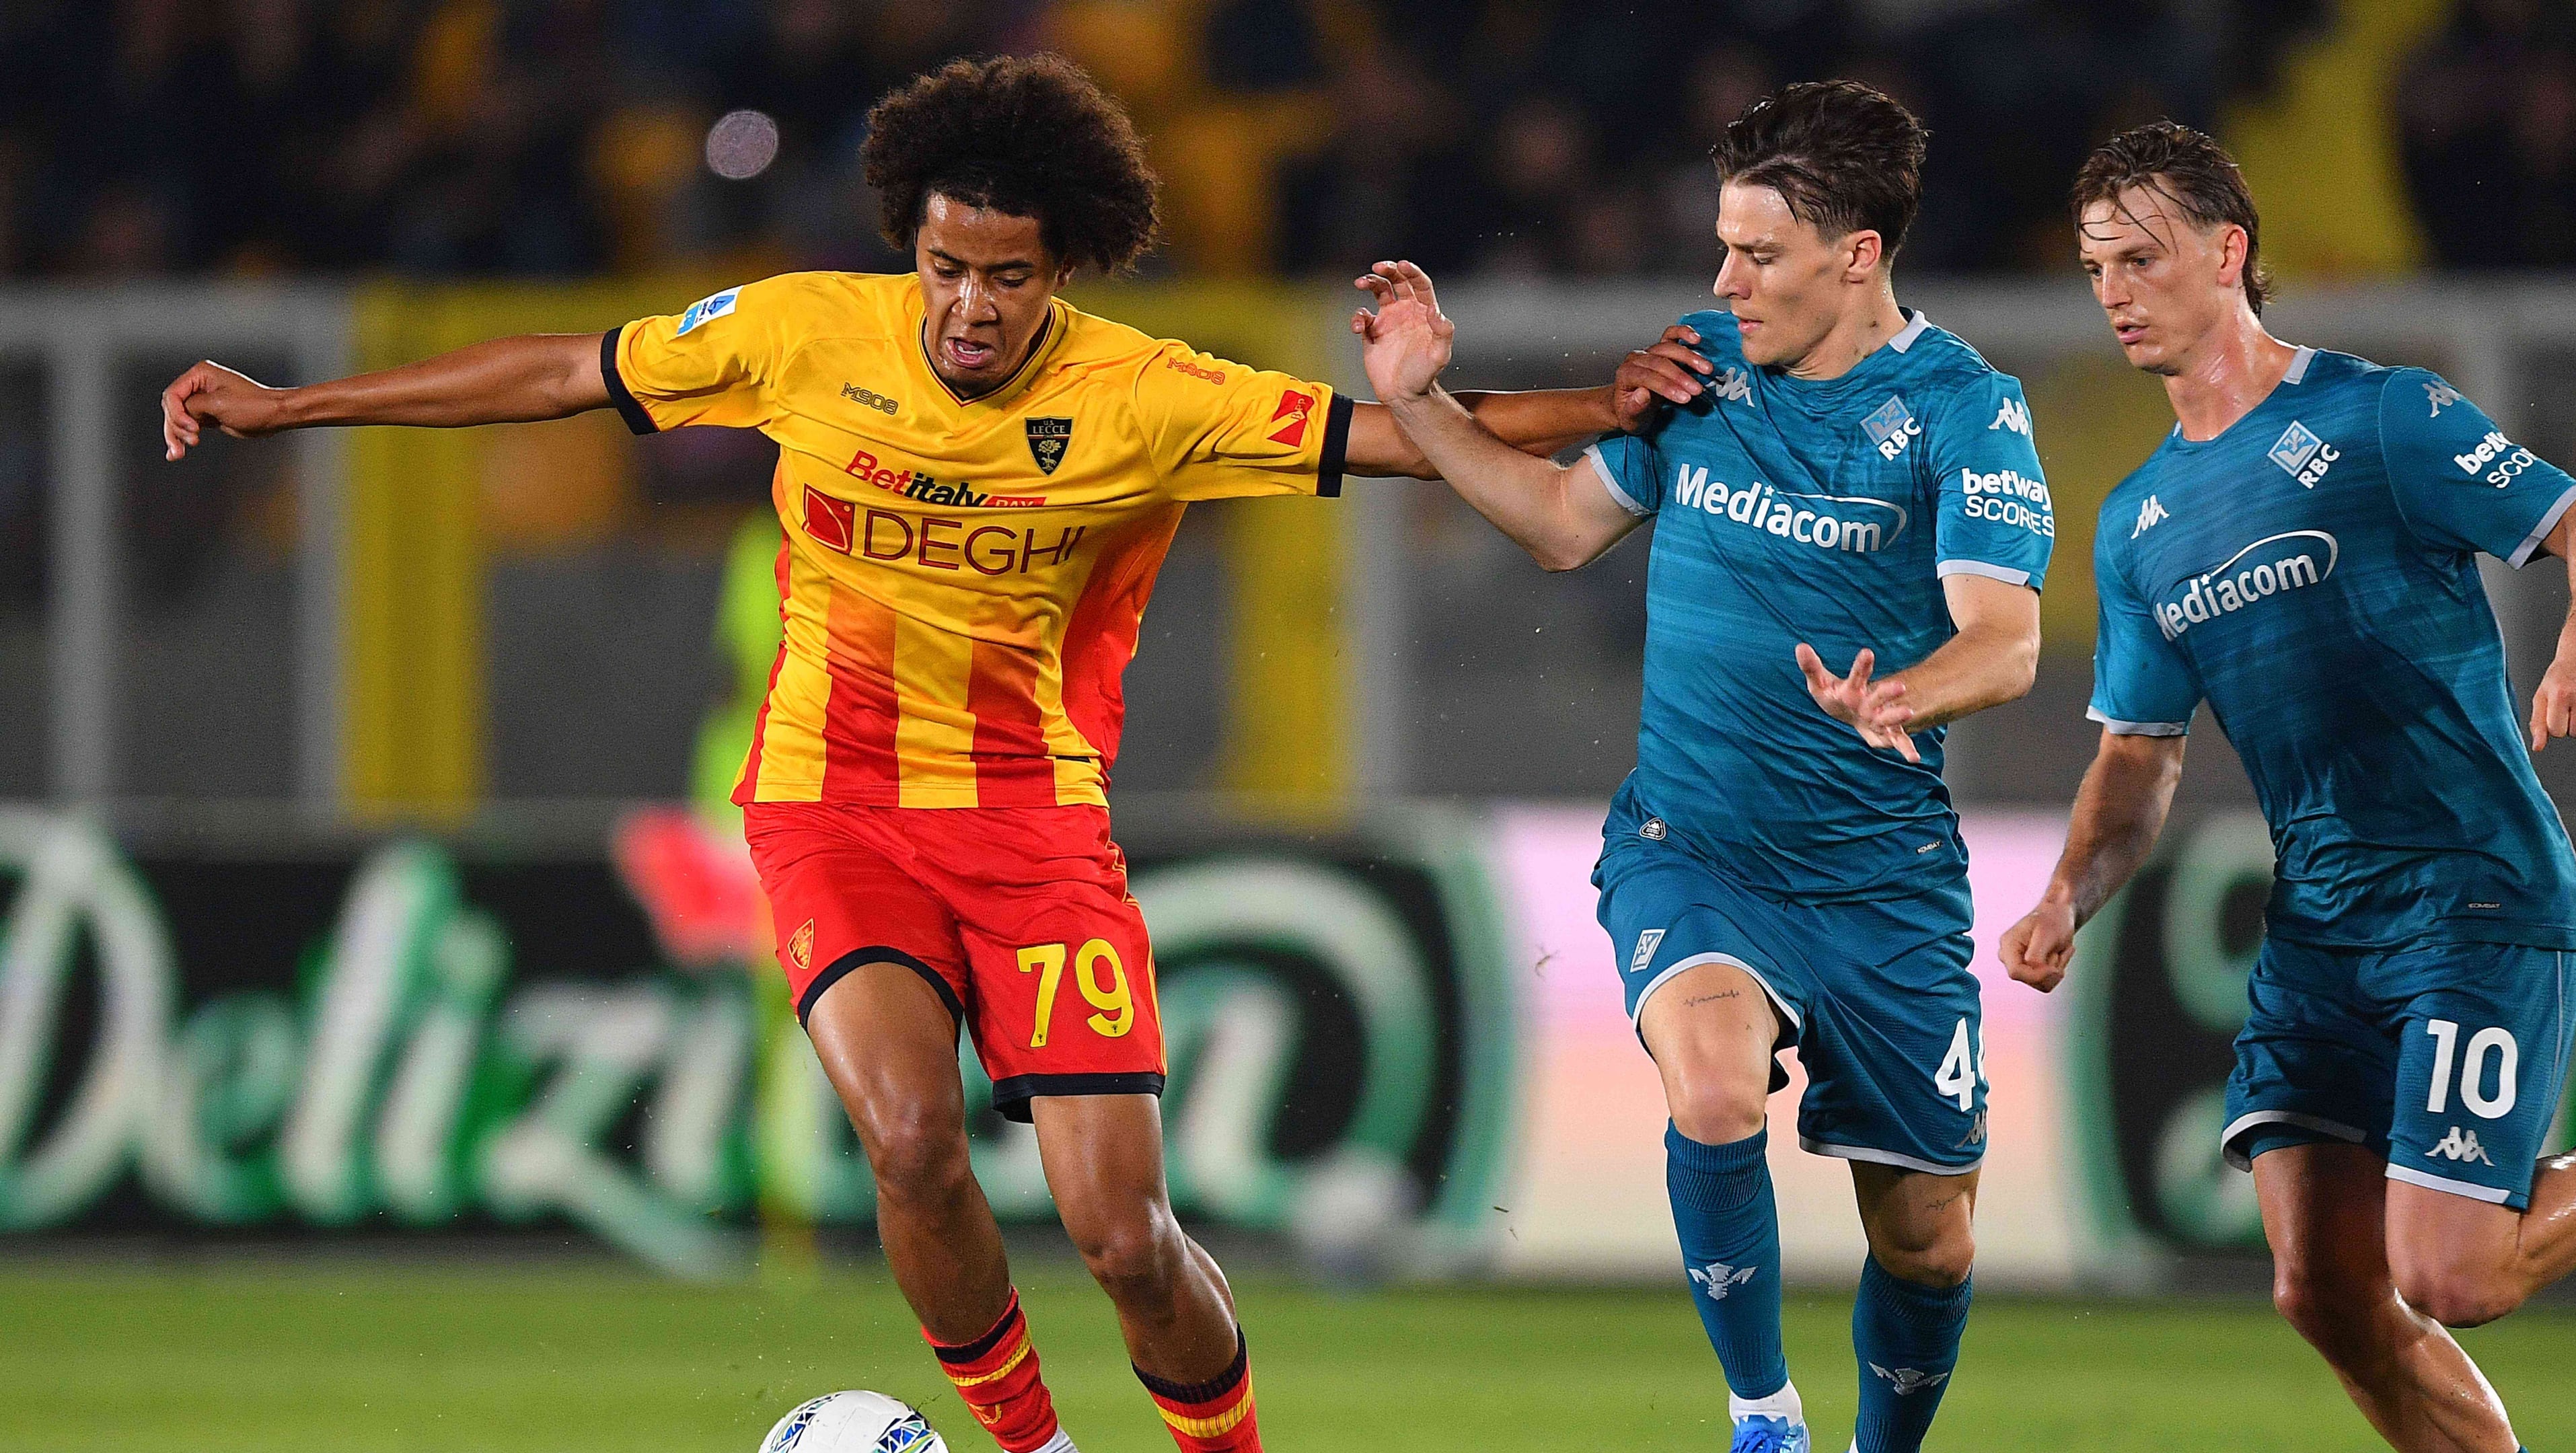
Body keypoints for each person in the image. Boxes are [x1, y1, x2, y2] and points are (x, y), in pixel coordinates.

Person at [157, 53, 1697, 1453]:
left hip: (1033, 829)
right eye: (946, 267)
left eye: (1007, 278)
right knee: (906, 1143)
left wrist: (1604, 404)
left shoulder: (1145, 395)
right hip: (830, 807)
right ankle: (1031, 1450)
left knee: (1123, 1239)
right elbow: (565, 372)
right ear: (912, 244)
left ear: (1061, 270)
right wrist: (293, 408)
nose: (969, 306)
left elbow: (1400, 437)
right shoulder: (801, 333)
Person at [1351, 81, 2053, 1453]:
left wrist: (1897, 696)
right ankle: (1763, 1418)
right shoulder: (1705, 367)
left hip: (1882, 882)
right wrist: (1419, 404)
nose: (1725, 279)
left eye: (1758, 253)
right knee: (1717, 1089)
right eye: (1723, 246)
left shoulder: (1965, 411)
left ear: (1858, 255)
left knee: (1928, 1245)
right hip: (1694, 847)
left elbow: (2008, 639)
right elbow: (1564, 525)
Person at [2003, 121, 2576, 1453]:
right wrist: (2067, 896)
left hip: (2471, 896)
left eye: (2142, 258)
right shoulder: (2137, 522)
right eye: (2096, 269)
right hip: (2321, 933)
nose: (2115, 293)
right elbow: (2137, 758)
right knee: (2324, 1289)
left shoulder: (2382, 417)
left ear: (2229, 252)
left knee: (2453, 1274)